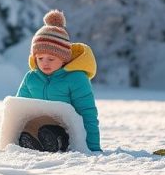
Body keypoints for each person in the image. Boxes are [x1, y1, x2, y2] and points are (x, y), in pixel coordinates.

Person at [16, 9, 101, 153]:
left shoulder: (76, 78)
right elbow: (18, 110)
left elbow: (87, 113)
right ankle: (29, 142)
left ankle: (54, 143)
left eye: (51, 59)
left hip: (66, 129)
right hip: (37, 125)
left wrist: (93, 147)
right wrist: (8, 138)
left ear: (63, 58)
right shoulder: (31, 78)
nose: (45, 63)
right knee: (29, 128)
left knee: (49, 131)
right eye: (40, 58)